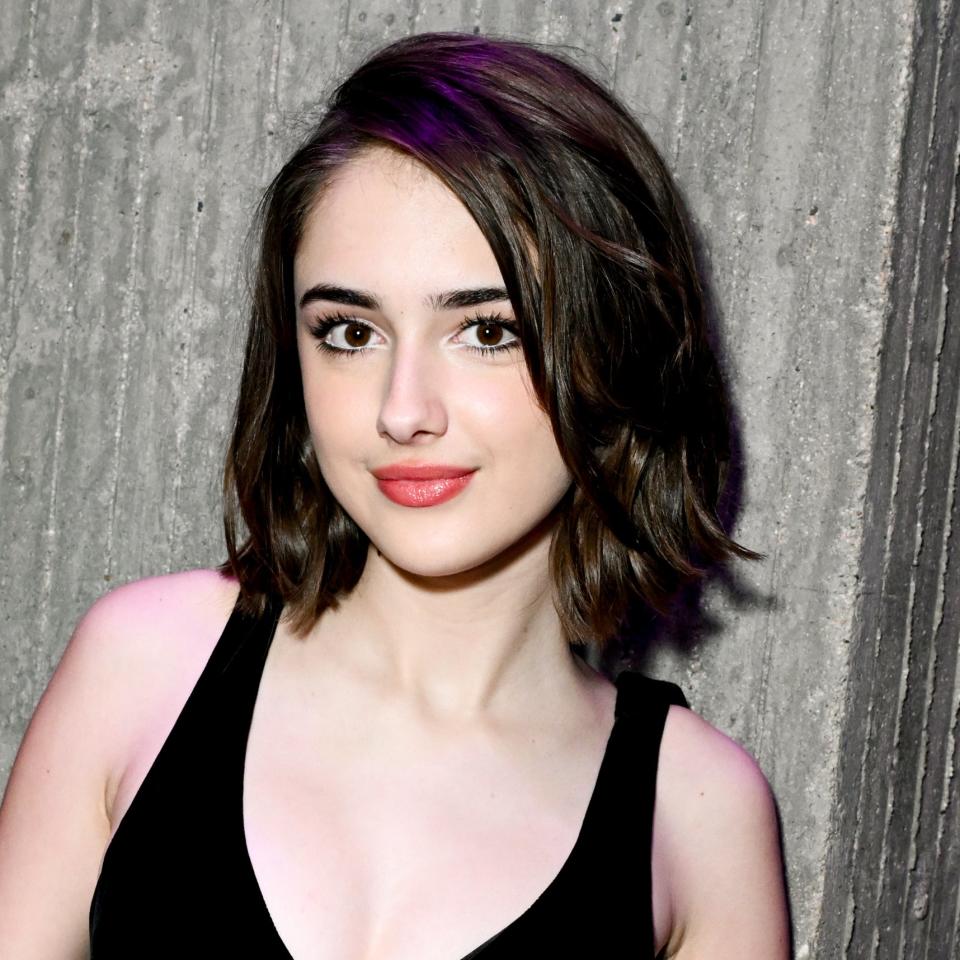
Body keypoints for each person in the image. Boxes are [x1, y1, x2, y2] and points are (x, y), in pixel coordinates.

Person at [0, 30, 790, 960]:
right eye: (348, 332)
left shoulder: (697, 820)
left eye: (488, 331)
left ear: (615, 344)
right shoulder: (144, 666)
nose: (403, 411)